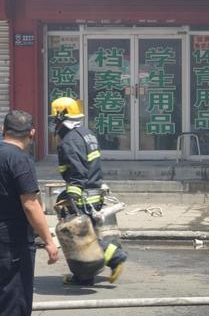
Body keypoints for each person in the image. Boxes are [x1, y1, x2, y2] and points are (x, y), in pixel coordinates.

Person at [50, 97, 127, 285]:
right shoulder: (86, 133)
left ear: (62, 117)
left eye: (55, 119)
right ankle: (83, 276)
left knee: (81, 235)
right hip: (93, 189)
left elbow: (77, 170)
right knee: (88, 232)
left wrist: (73, 195)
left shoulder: (69, 140)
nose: (54, 123)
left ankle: (115, 257)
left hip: (82, 193)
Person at [0, 110, 59, 316]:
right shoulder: (19, 161)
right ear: (32, 133)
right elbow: (30, 205)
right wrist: (49, 241)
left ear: (3, 130)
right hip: (12, 245)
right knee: (14, 302)